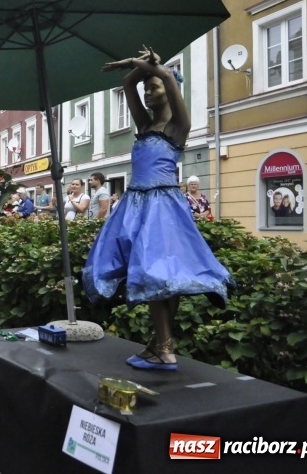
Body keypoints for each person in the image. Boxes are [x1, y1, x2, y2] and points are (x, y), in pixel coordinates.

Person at [83, 46, 235, 371]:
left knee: (154, 272)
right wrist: (137, 68)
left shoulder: (178, 126)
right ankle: (159, 345)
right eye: (147, 88)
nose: (148, 93)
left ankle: (164, 350)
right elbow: (127, 84)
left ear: (171, 90)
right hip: (138, 204)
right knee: (163, 276)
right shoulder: (144, 125)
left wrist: (153, 65)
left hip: (162, 206)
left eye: (154, 88)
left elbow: (166, 75)